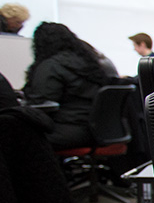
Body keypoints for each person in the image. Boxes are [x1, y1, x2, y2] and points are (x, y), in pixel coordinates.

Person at [23, 22, 112, 150]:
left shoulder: (51, 66)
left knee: (18, 138)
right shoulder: (90, 63)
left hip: (69, 130)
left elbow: (41, 102)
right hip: (99, 129)